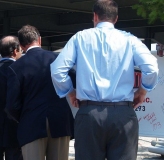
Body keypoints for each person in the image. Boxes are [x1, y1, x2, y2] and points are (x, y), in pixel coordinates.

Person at [50, 0, 159, 160]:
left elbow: (58, 71)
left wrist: (70, 92)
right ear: (116, 19)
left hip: (89, 114)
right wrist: (142, 91)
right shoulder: (129, 40)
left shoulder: (80, 38)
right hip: (123, 114)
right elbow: (152, 68)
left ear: (94, 16)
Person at [5, 25, 75, 160]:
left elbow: (11, 105)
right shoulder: (58, 58)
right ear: (40, 40)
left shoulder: (15, 67)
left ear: (21, 45)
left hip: (32, 123)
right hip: (60, 120)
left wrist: (24, 117)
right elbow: (76, 80)